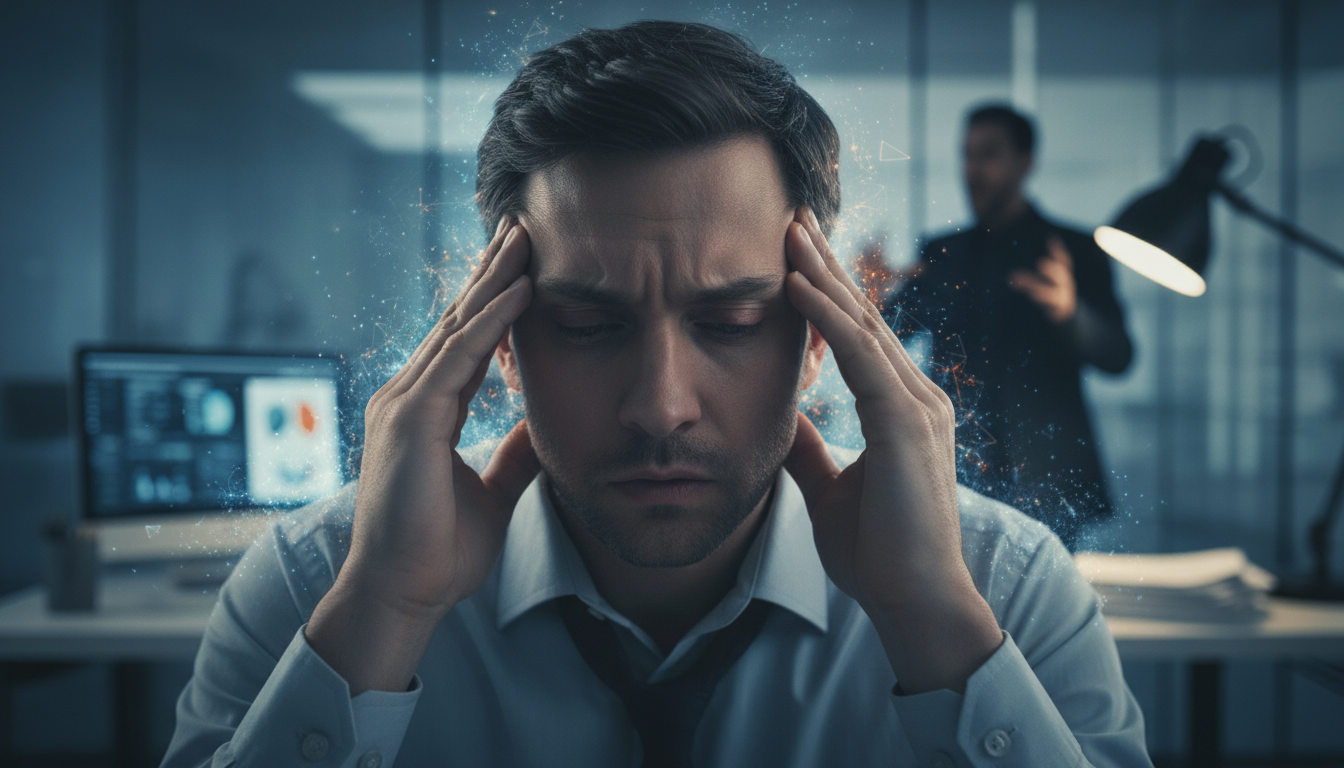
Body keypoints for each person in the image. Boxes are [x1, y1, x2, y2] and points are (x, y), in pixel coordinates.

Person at [163, 23, 1150, 767]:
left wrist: (934, 620)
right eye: (588, 325)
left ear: (821, 336)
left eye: (730, 322)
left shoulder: (1008, 594)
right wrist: (381, 610)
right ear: (497, 341)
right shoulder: (313, 592)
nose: (661, 406)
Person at [889, 105, 1133, 549]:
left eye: (988, 154)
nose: (973, 169)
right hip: (954, 471)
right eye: (966, 155)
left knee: (1042, 614)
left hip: (1047, 479)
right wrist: (874, 294)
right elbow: (890, 336)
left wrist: (1069, 312)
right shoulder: (942, 254)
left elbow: (1119, 356)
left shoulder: (1075, 250)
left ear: (1025, 161)